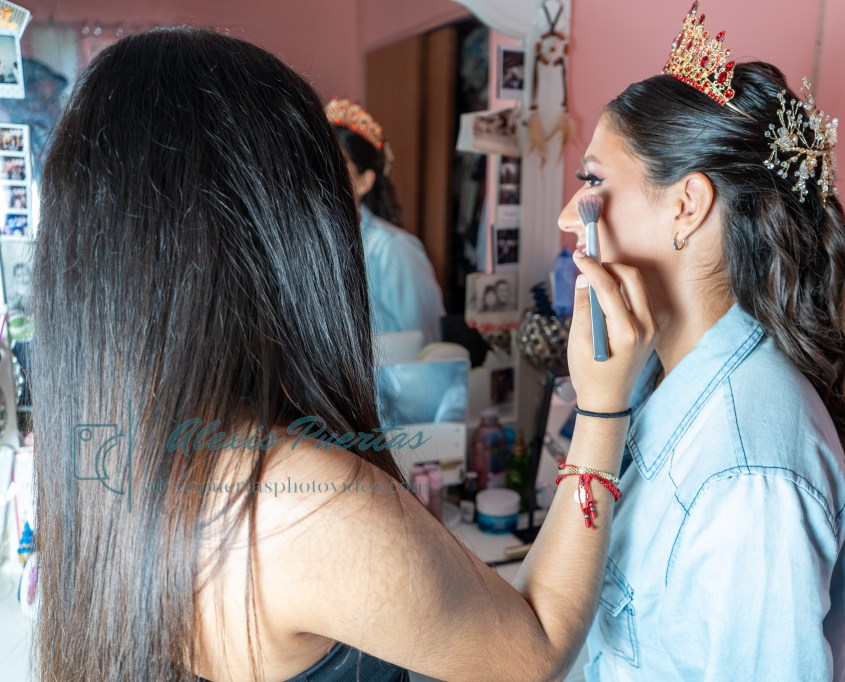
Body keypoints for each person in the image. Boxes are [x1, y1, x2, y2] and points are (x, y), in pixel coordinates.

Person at [32, 27, 656, 682]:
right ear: (286, 226)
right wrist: (603, 407)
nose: (570, 215)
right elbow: (535, 649)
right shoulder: (304, 505)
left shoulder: (101, 456)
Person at [557, 4, 845, 680]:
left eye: (593, 181)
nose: (571, 217)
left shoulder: (750, 480)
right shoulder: (651, 373)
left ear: (687, 206)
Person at [326, 98, 445, 345]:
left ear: (364, 182)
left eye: (336, 164)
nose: (323, 175)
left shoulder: (391, 249)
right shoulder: (316, 242)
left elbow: (427, 347)